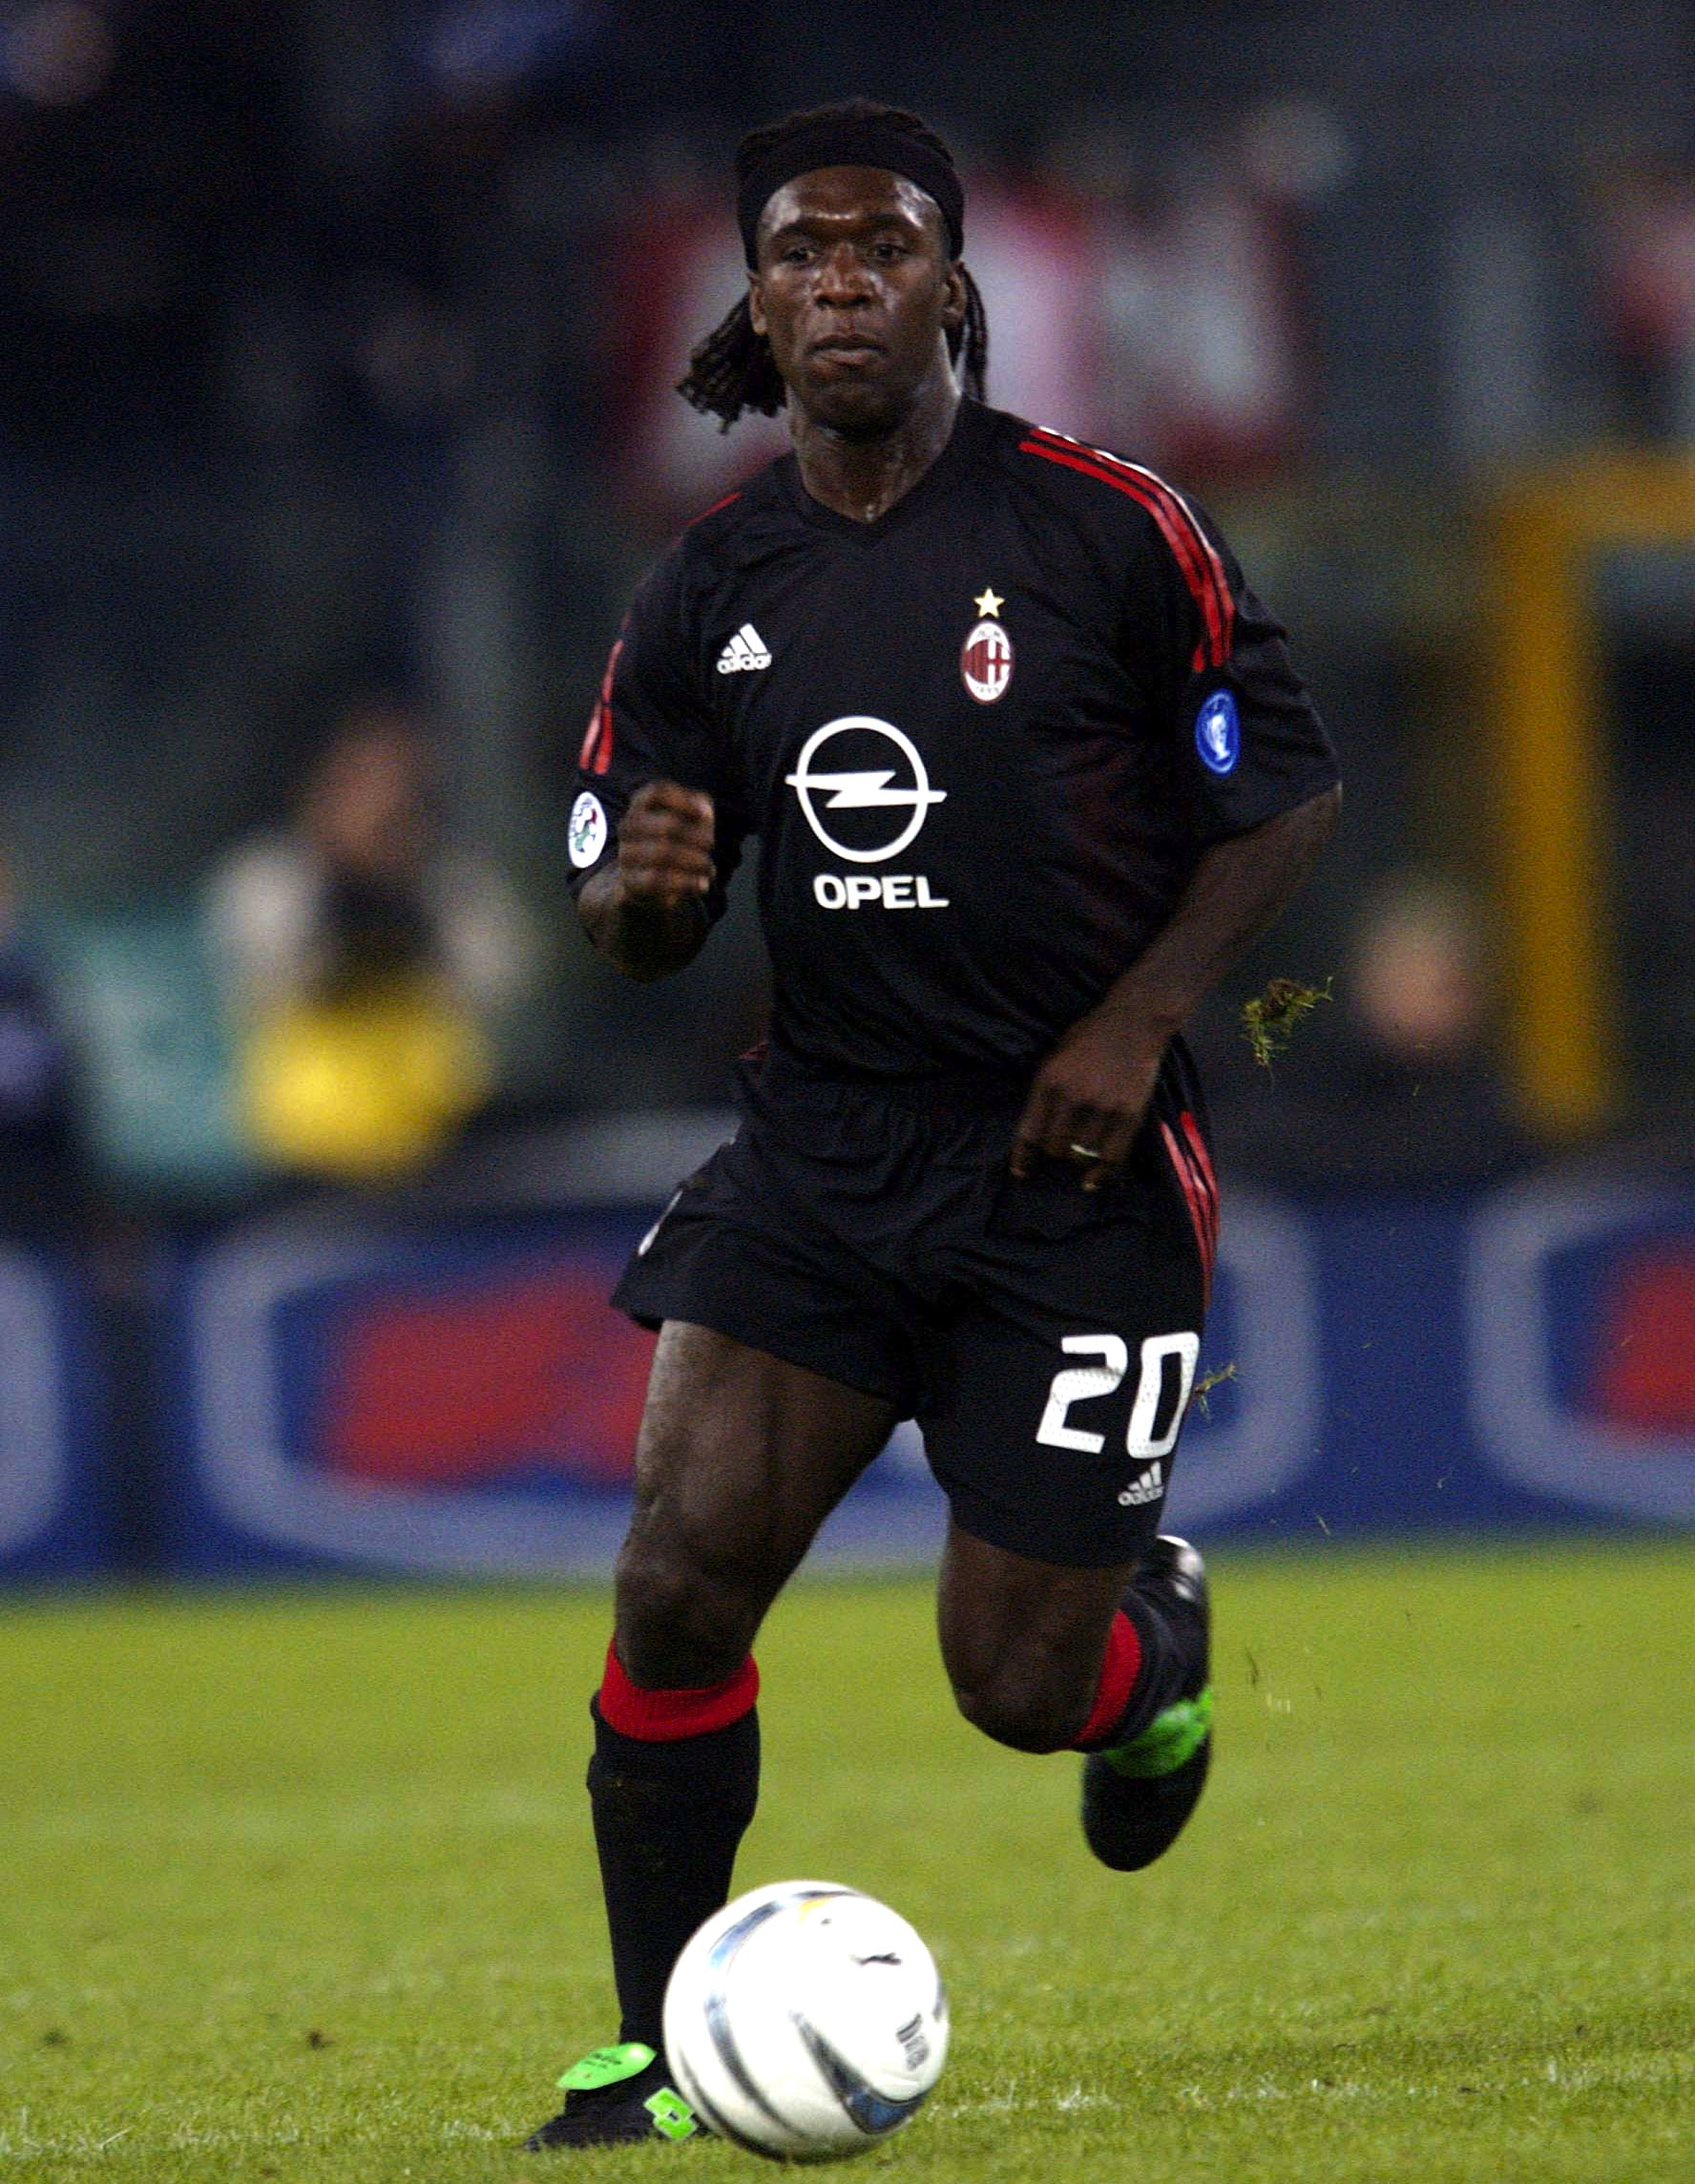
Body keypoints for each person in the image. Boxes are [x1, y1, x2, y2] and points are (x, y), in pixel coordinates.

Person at [528, 99, 1340, 2151]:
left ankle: (1150, 1651)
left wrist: (1137, 1020)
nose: (839, 284)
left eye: (879, 248)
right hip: (826, 1153)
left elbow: (1285, 796)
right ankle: (653, 2049)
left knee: (1009, 1676)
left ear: (955, 288)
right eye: (800, 253)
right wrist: (637, 896)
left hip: (1075, 1173)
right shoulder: (709, 584)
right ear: (758, 301)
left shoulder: (1109, 526)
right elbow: (632, 901)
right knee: (676, 1583)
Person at [205, 698, 539, 1184]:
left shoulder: (455, 887)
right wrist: (342, 886)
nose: (385, 803)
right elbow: (274, 978)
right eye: (364, 783)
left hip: (454, 1160)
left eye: (403, 785)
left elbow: (507, 987)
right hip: (301, 1169)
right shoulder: (269, 881)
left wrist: (414, 894)